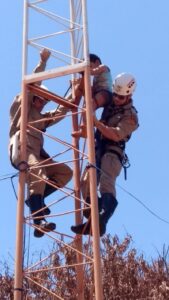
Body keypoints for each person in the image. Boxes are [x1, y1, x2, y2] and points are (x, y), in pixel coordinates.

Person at [9, 49, 73, 238]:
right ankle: (38, 221)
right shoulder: (23, 109)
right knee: (37, 171)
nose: (44, 104)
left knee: (64, 172)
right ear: (34, 97)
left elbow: (59, 113)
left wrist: (73, 94)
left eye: (46, 102)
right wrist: (42, 62)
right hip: (23, 149)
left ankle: (36, 200)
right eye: (42, 100)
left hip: (36, 154)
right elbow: (32, 85)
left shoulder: (40, 116)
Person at [71, 72, 139, 236]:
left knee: (106, 183)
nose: (116, 98)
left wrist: (96, 124)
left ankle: (102, 219)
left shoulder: (131, 116)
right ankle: (93, 221)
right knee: (85, 184)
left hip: (112, 152)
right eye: (115, 94)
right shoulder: (111, 104)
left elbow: (116, 134)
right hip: (99, 149)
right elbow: (100, 91)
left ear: (128, 96)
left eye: (120, 97)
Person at [72, 53, 112, 137]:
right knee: (86, 108)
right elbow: (92, 89)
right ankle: (87, 127)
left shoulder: (103, 67)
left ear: (97, 62)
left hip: (105, 93)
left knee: (89, 106)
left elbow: (92, 71)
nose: (88, 67)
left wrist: (83, 68)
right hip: (100, 93)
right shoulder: (96, 78)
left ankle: (89, 126)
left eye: (89, 65)